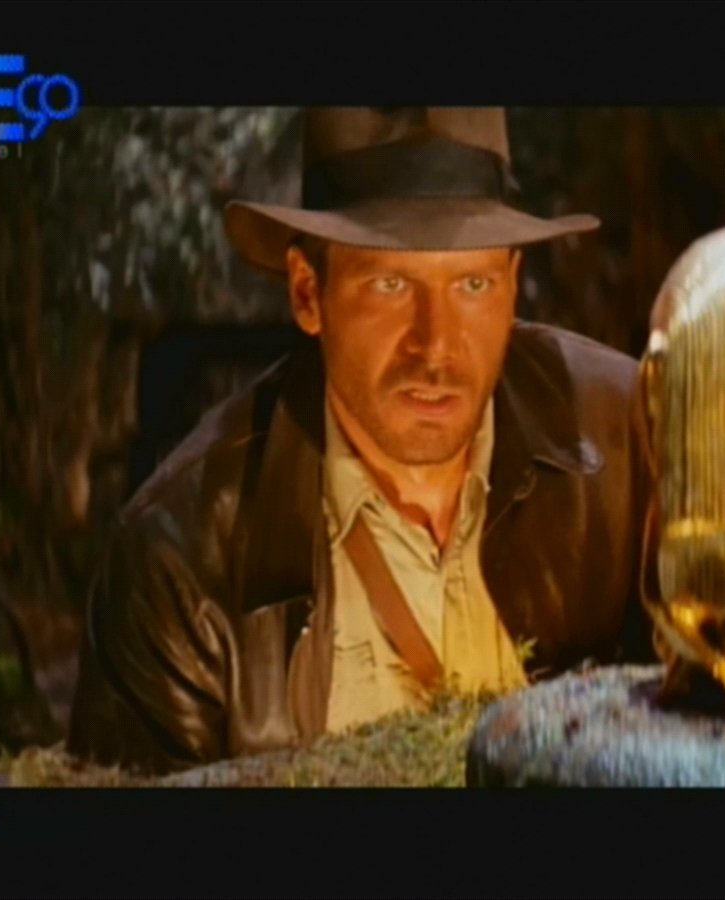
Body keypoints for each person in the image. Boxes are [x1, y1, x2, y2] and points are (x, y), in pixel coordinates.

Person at [67, 107, 656, 774]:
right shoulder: (178, 565)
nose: (435, 346)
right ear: (307, 293)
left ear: (513, 283)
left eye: (472, 284)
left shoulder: (630, 442)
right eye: (390, 284)